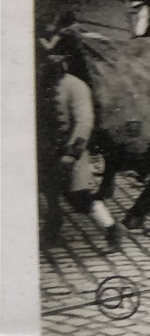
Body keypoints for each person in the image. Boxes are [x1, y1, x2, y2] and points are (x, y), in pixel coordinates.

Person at [37, 52, 123, 252]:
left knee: (80, 197)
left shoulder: (76, 86)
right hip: (45, 152)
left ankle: (112, 230)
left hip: (70, 153)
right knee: (48, 193)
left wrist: (71, 154)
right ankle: (52, 230)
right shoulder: (38, 85)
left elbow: (84, 121)